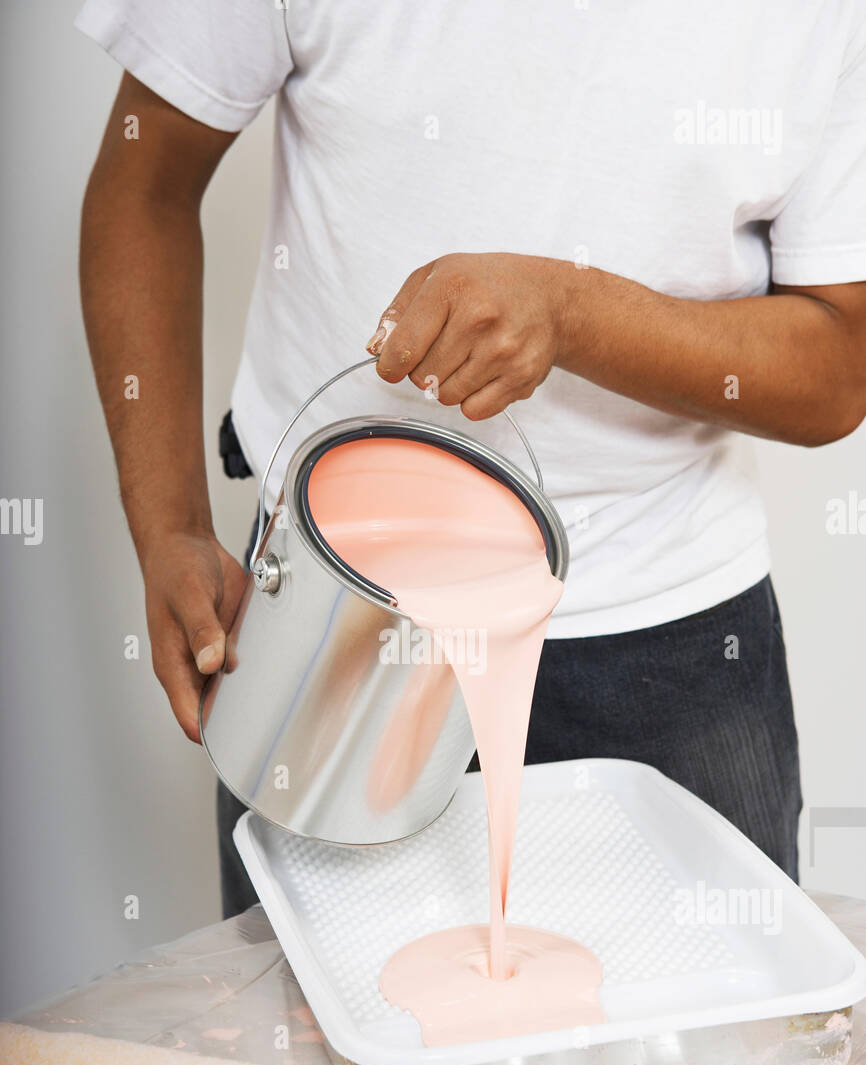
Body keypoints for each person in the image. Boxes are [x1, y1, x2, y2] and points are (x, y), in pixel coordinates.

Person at [77, 1, 866, 916]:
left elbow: (839, 364)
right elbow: (145, 186)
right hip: (330, 614)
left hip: (672, 642)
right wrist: (168, 524)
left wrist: (573, 313)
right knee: (297, 1049)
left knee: (723, 1052)